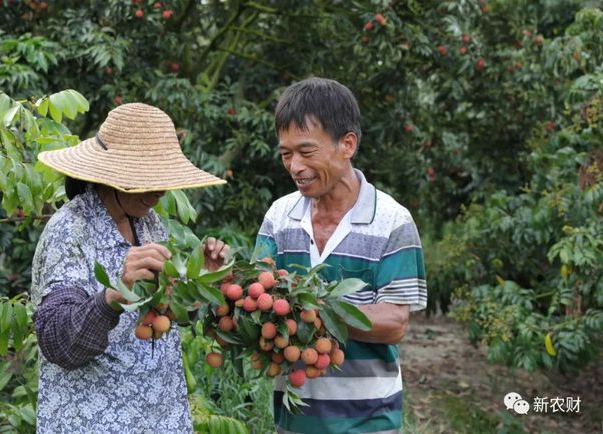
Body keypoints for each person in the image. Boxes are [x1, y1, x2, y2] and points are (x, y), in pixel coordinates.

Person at [31, 103, 229, 433]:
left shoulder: (148, 223)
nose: (160, 191)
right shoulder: (71, 230)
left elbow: (166, 311)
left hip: (160, 418)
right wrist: (113, 294)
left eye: (162, 179)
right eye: (147, 180)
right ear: (112, 174)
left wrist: (201, 278)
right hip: (91, 422)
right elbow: (56, 339)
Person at [255, 78, 427, 433]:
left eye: (306, 151)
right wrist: (220, 277)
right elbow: (258, 291)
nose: (295, 166)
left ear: (347, 144)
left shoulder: (392, 222)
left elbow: (395, 323)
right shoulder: (278, 216)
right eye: (286, 154)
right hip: (294, 420)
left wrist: (317, 309)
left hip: (368, 420)